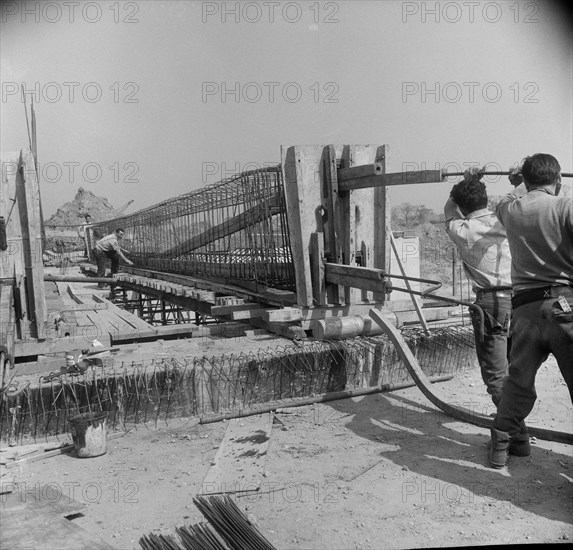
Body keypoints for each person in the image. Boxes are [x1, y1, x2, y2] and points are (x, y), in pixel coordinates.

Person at [490, 153, 573, 469]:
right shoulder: (564, 206)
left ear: (526, 180)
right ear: (559, 180)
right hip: (564, 307)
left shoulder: (510, 210)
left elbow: (507, 200)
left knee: (519, 382)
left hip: (523, 312)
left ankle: (501, 446)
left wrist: (516, 182)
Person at [444, 175, 512, 411]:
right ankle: (515, 428)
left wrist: (466, 182)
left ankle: (512, 434)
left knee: (496, 373)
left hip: (491, 303)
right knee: (516, 368)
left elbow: (449, 208)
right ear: (485, 198)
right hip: (521, 299)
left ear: (462, 206)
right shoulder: (506, 219)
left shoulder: (462, 229)